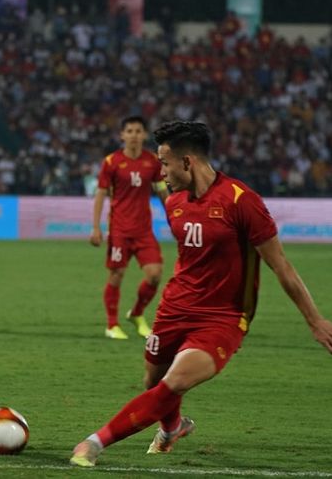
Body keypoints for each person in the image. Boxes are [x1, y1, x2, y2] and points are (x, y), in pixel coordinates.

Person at [71, 121, 332, 467]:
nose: (161, 172)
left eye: (165, 163)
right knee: (153, 381)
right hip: (175, 307)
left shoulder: (241, 201)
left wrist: (314, 320)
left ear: (187, 162)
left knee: (174, 381)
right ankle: (172, 428)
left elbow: (281, 265)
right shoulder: (175, 203)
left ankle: (94, 443)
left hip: (222, 317)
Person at [90, 116, 169, 340]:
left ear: (144, 135)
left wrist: (176, 218)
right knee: (117, 275)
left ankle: (136, 314)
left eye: (138, 131)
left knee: (155, 275)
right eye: (130, 131)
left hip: (144, 231)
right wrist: (96, 228)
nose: (134, 135)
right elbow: (100, 195)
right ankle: (112, 325)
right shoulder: (111, 162)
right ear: (122, 135)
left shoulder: (152, 162)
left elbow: (163, 193)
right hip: (120, 230)